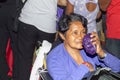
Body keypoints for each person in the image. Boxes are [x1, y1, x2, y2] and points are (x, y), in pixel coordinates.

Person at [46, 13, 120, 80]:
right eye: (75, 33)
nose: (81, 37)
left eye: (83, 32)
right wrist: (85, 67)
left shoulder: (87, 50)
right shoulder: (54, 58)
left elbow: (117, 67)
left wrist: (101, 53)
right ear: (62, 36)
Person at [12, 0, 67, 80]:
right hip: (47, 24)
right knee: (42, 62)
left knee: (23, 59)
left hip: (28, 19)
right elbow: (63, 2)